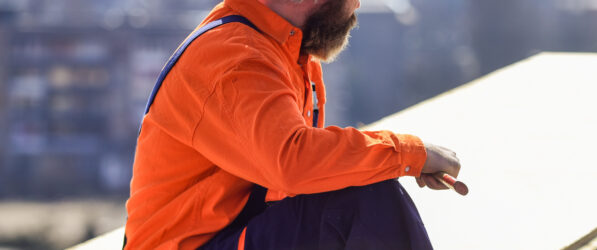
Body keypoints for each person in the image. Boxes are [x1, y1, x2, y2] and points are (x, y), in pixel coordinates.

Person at [123, 0, 463, 249]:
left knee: (357, 189)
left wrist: (390, 162)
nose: (357, 5)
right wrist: (408, 153)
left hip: (230, 235)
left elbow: (311, 172)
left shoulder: (282, 51)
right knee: (360, 202)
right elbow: (294, 161)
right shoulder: (237, 57)